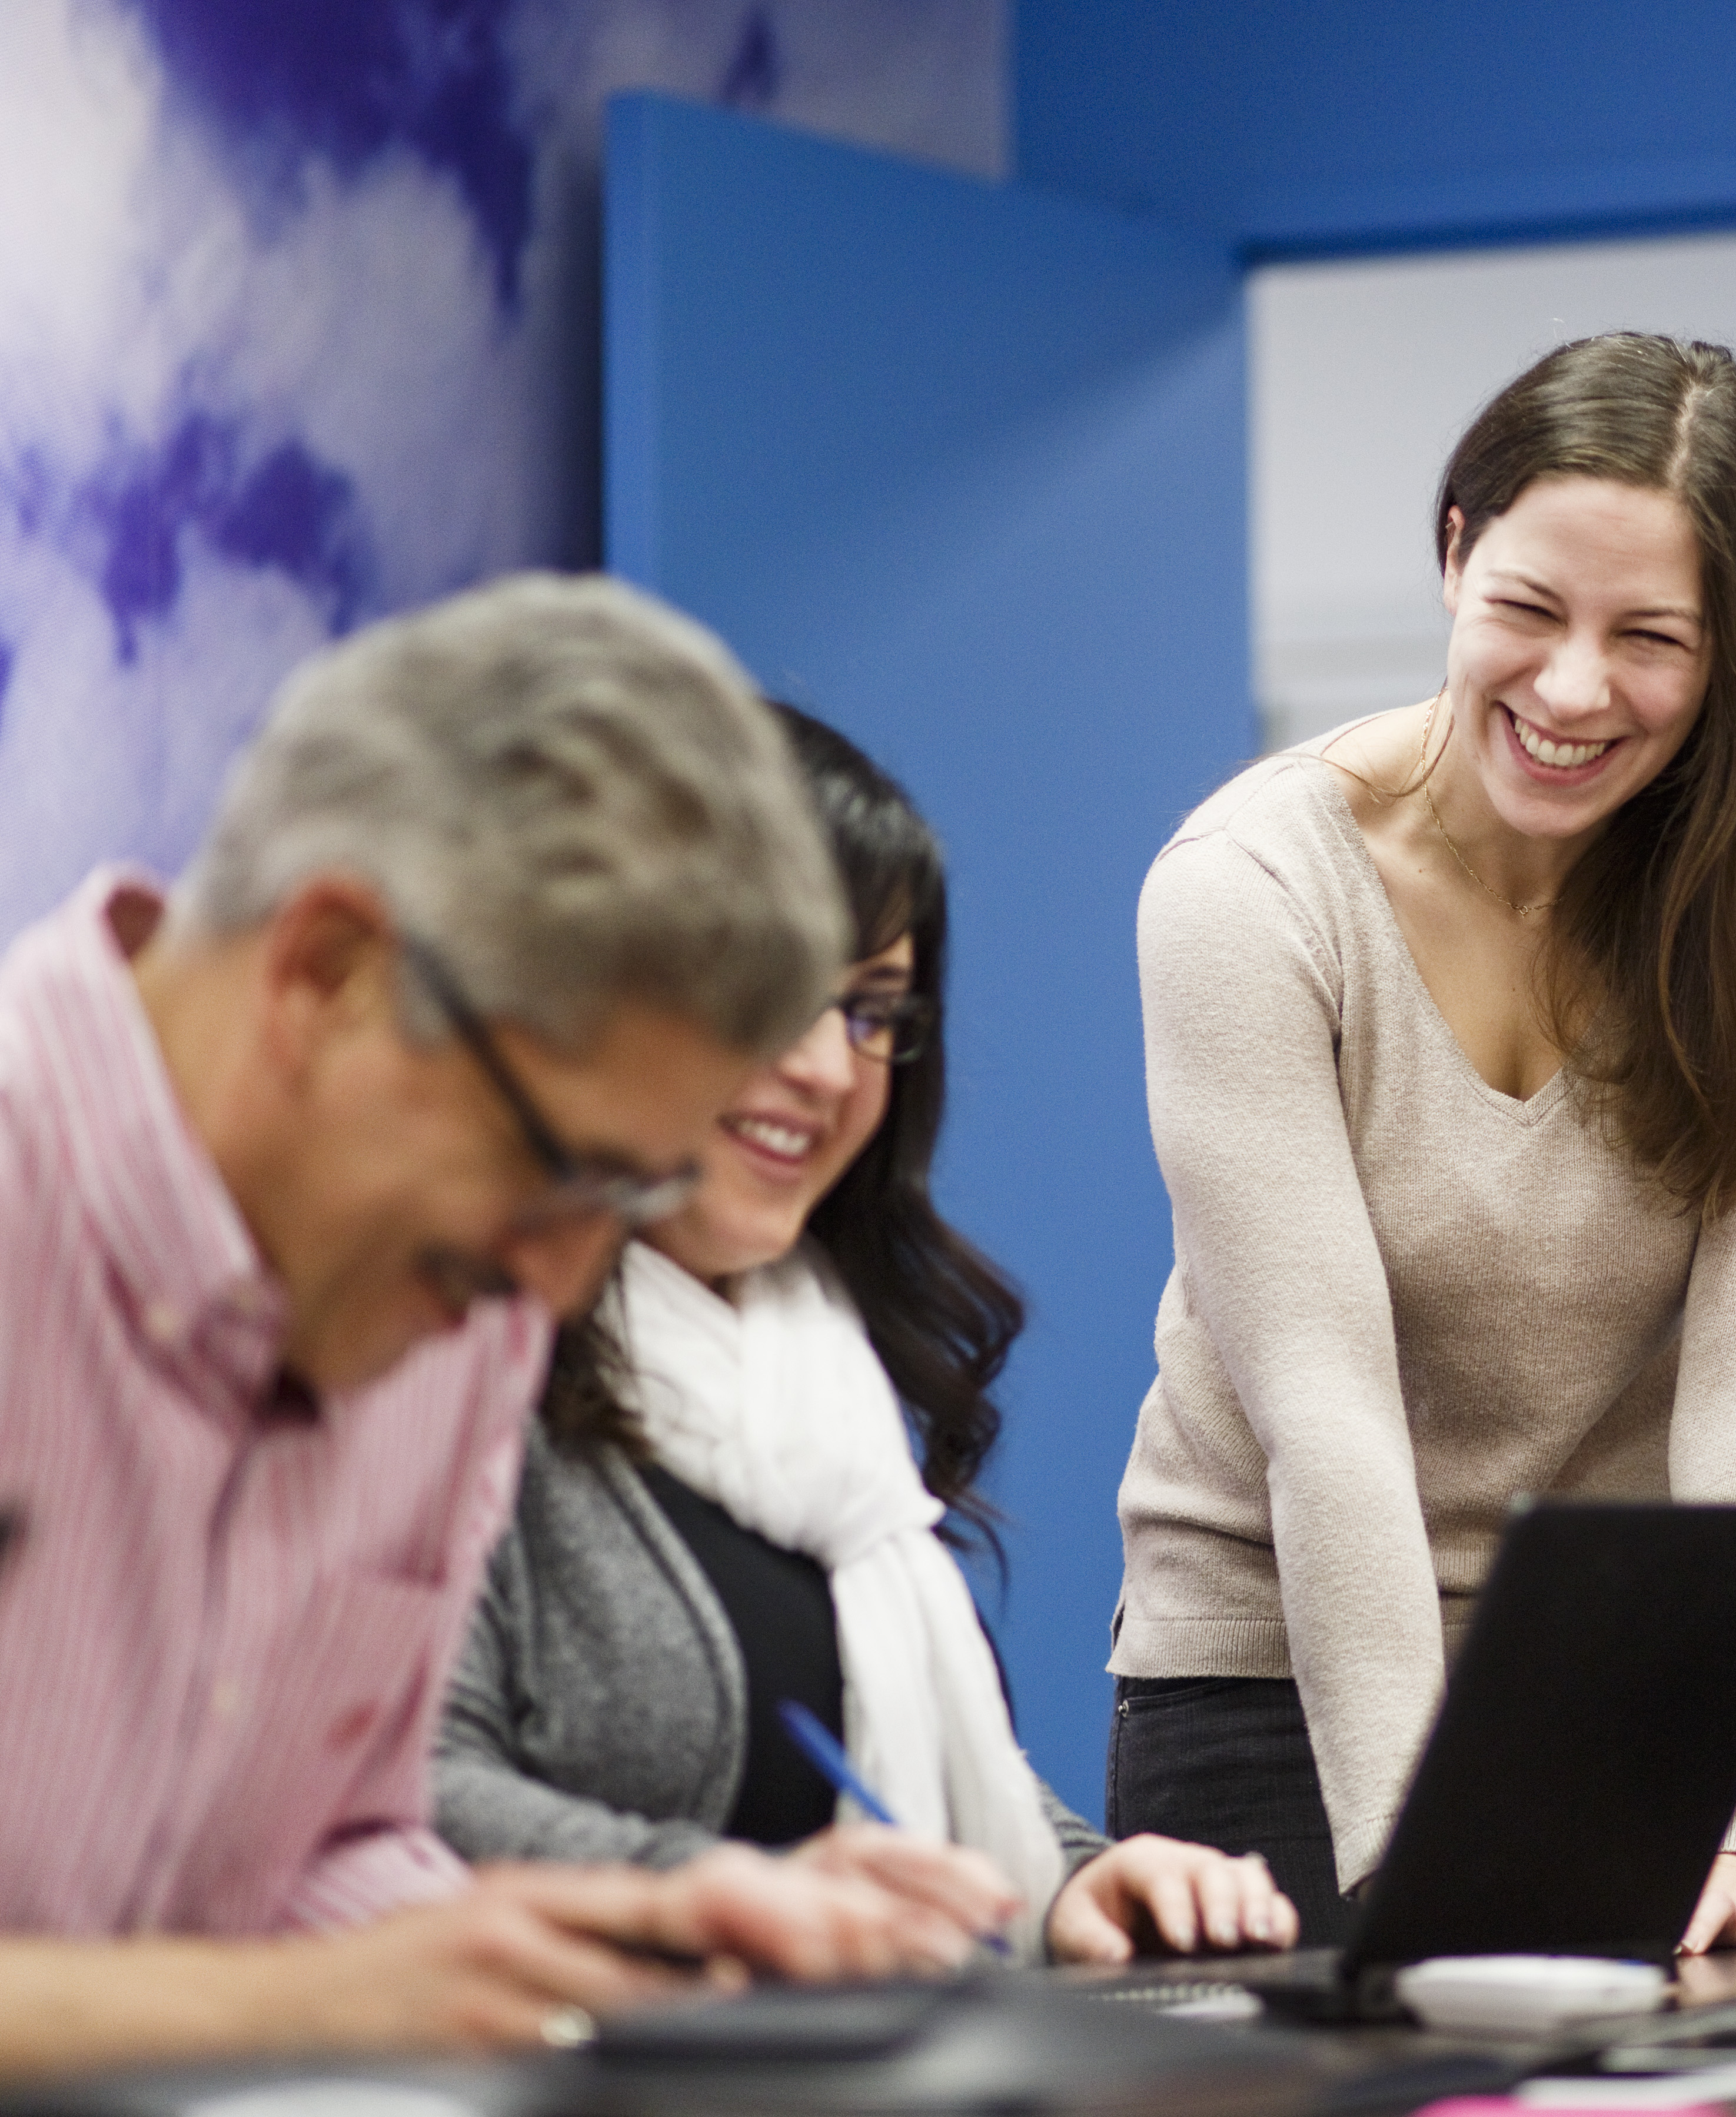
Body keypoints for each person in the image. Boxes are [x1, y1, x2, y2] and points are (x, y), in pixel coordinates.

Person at [0, 574, 979, 2078]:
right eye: (561, 1168)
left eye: (637, 1185)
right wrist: (289, 2010)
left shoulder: (460, 1301)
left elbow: (319, 1858)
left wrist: (609, 1936)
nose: (561, 1281)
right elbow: (279, 1987)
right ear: (329, 969)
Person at [1107, 334, 1736, 1952]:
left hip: (1596, 1669)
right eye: (1529, 611)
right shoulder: (1248, 894)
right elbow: (1328, 1411)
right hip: (1265, 1672)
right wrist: (1418, 1869)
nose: (1576, 688)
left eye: (1650, 638)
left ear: (1732, 646)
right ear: (1454, 552)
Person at [438, 709, 1295, 1966]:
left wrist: (1071, 1887)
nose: (827, 1067)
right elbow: (389, 1801)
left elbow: (926, 1789)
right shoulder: (441, 1360)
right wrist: (722, 1892)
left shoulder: (812, 1362)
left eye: (870, 1010)